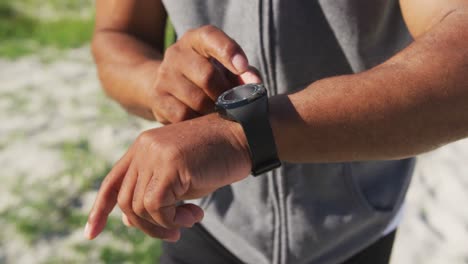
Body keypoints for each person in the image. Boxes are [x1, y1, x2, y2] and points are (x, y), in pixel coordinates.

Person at [84, 0, 468, 263]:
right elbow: (118, 36)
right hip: (205, 217)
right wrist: (160, 87)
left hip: (353, 227)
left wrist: (245, 137)